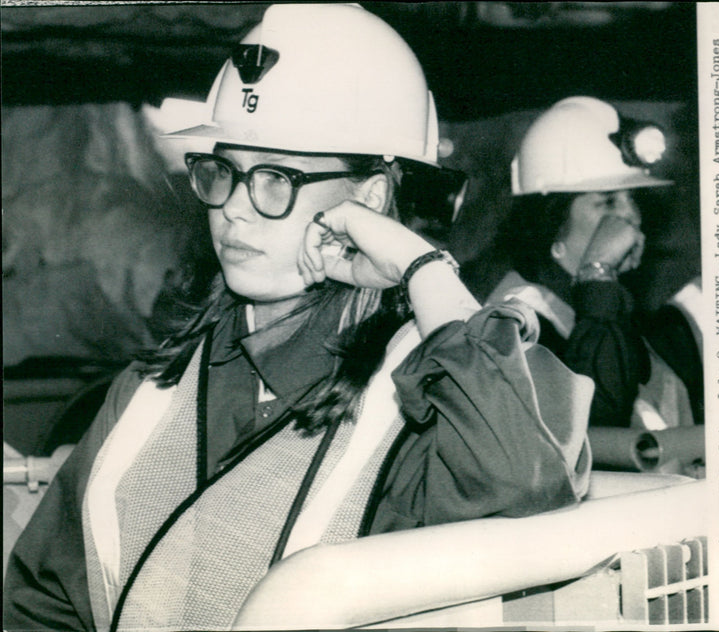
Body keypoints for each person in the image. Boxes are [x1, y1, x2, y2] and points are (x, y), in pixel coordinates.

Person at [3, 6, 592, 631]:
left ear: (367, 198)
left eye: (276, 178)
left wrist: (422, 268)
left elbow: (529, 483)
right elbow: (41, 602)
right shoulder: (154, 387)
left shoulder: (430, 394)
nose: (234, 209)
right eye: (222, 172)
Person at [481, 96, 699, 429]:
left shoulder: (615, 312)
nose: (630, 215)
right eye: (608, 202)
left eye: (632, 199)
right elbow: (595, 417)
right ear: (552, 222)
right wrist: (597, 272)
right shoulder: (515, 323)